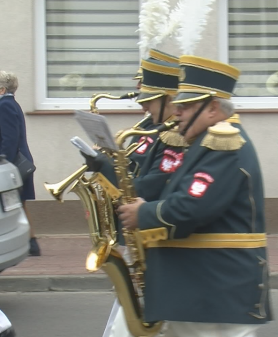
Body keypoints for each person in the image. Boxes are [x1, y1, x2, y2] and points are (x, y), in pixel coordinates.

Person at [118, 55, 272, 337]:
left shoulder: (223, 143)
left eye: (186, 106)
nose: (177, 112)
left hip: (212, 291)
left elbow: (191, 207)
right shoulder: (203, 142)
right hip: (202, 291)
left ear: (213, 108)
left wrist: (144, 214)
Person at [89, 56, 188, 337]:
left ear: (168, 98)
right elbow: (133, 168)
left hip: (153, 236)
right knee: (128, 316)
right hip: (138, 232)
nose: (141, 103)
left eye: (148, 97)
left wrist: (104, 166)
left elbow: (147, 189)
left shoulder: (173, 137)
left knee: (147, 322)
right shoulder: (148, 127)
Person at [0, 71, 40, 256]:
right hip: (18, 163)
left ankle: (28, 243)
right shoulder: (11, 104)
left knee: (15, 204)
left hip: (11, 165)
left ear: (2, 89)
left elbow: (9, 139)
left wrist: (3, 163)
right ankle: (31, 243)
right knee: (18, 204)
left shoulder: (4, 106)